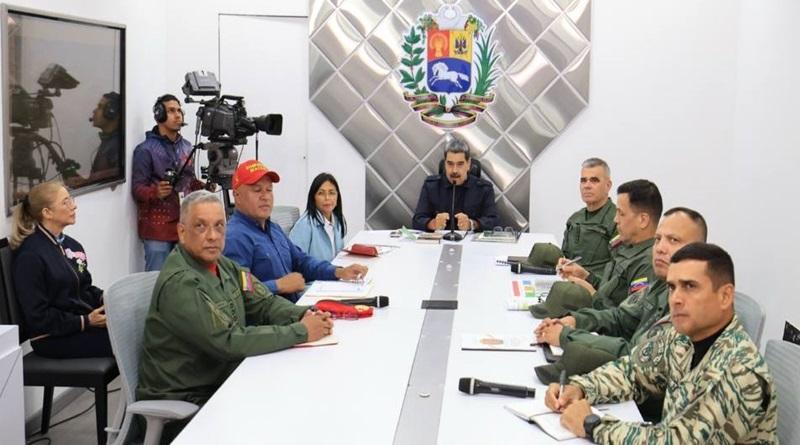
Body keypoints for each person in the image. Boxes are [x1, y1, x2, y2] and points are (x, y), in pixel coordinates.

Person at [544, 243, 777, 443]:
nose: (675, 299)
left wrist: (591, 425)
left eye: (690, 286)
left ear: (725, 296)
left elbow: (676, 441)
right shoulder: (682, 336)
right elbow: (633, 372)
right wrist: (580, 388)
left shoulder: (738, 369)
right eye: (672, 287)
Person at [137, 190, 334, 410]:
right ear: (182, 232)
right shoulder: (181, 284)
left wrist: (305, 314)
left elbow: (264, 302)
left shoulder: (224, 265)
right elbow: (227, 342)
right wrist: (301, 331)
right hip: (188, 402)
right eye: (201, 226)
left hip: (224, 381)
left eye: (219, 226)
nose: (212, 236)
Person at [534, 207, 708, 386]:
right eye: (658, 239)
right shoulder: (661, 285)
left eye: (673, 240)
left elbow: (637, 357)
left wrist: (567, 336)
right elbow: (621, 317)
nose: (660, 248)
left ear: (699, 251)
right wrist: (575, 320)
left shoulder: (692, 308)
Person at [224, 160, 368, 303]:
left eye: (269, 190)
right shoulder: (235, 237)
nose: (265, 196)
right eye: (257, 190)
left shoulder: (274, 229)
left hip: (294, 306)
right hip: (274, 314)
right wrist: (278, 286)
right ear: (237, 195)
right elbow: (238, 289)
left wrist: (338, 272)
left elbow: (302, 261)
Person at [9, 182, 111, 358]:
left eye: (71, 199)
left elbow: (84, 289)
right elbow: (38, 317)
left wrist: (109, 299)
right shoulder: (30, 256)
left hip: (79, 326)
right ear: (47, 213)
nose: (74, 206)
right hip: (51, 338)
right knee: (128, 341)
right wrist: (85, 321)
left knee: (136, 329)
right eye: (65, 202)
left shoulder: (72, 245)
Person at [557, 179, 661, 310]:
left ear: (643, 220)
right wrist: (586, 276)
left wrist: (592, 295)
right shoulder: (627, 247)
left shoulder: (648, 264)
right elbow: (610, 292)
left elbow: (628, 318)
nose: (615, 219)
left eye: (621, 213)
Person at [131, 94, 206, 271]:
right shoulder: (145, 150)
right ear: (159, 114)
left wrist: (204, 187)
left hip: (184, 224)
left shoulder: (187, 146)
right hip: (157, 229)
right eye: (172, 111)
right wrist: (155, 192)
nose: (178, 115)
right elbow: (137, 189)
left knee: (184, 277)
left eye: (179, 110)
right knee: (156, 279)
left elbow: (189, 181)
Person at [412, 136, 498, 232]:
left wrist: (472, 224)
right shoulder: (431, 186)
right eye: (450, 164)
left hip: (470, 241)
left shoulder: (484, 188)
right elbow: (417, 220)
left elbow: (493, 221)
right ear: (445, 163)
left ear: (468, 164)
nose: (454, 170)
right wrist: (433, 223)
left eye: (460, 164)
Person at [561, 158, 617, 277]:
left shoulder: (617, 220)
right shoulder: (574, 219)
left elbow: (619, 270)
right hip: (568, 282)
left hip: (598, 286)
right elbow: (564, 256)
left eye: (594, 180)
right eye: (583, 181)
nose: (587, 186)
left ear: (608, 185)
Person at [289, 172, 346, 262]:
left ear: (337, 196)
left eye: (332, 193)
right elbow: (295, 262)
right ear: (313, 198)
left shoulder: (338, 220)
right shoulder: (304, 225)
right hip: (315, 272)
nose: (327, 198)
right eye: (321, 193)